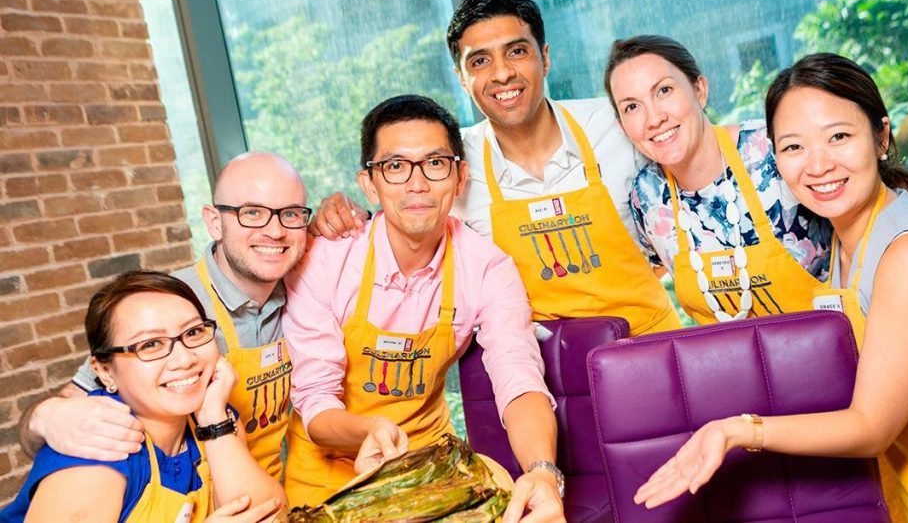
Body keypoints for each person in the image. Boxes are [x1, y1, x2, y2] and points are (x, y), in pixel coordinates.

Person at [632, 53, 908, 522]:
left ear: (881, 137)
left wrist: (737, 431)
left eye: (839, 137)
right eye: (794, 147)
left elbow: (871, 427)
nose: (818, 165)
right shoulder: (845, 233)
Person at [313, 0, 679, 337]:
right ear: (461, 78)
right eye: (480, 61)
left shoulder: (615, 124)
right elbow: (401, 210)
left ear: (545, 57)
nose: (502, 74)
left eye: (517, 51)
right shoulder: (448, 165)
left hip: (650, 346)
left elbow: (698, 175)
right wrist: (342, 216)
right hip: (542, 370)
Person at [282, 95, 564, 522]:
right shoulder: (323, 261)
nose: (417, 184)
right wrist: (370, 431)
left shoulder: (486, 267)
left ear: (459, 177)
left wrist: (543, 472)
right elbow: (316, 400)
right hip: (327, 482)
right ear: (369, 184)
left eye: (435, 164)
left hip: (432, 472)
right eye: (395, 167)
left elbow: (518, 377)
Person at [19, 153, 309, 500]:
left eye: (290, 214)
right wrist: (45, 417)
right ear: (214, 222)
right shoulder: (170, 307)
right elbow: (74, 408)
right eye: (252, 213)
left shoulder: (308, 285)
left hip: (273, 492)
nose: (275, 231)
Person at [1, 271, 286, 522]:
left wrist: (214, 422)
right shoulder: (97, 450)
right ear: (105, 371)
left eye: (194, 332)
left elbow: (272, 515)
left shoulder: (215, 416)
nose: (184, 359)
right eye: (150, 344)